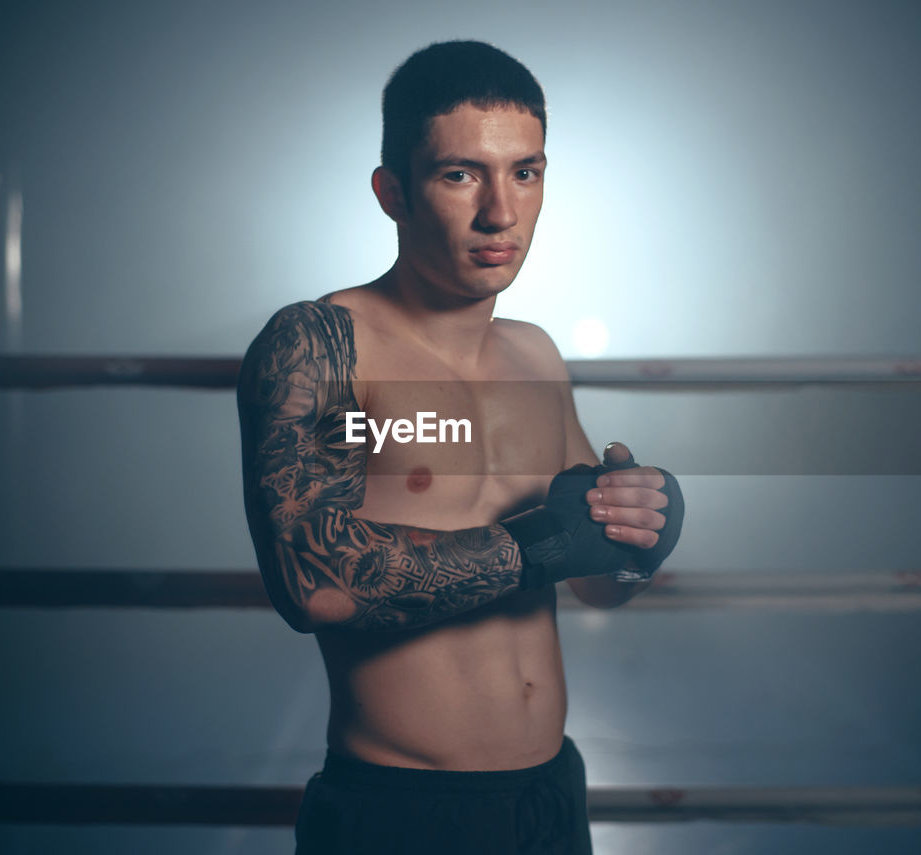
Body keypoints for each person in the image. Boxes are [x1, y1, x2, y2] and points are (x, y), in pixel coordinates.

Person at [237, 40, 684, 854]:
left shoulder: (536, 354)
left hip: (549, 791)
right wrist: (543, 542)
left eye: (525, 172)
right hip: (405, 808)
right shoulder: (324, 342)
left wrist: (636, 538)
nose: (500, 213)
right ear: (393, 193)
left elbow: (592, 581)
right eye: (459, 174)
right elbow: (316, 581)